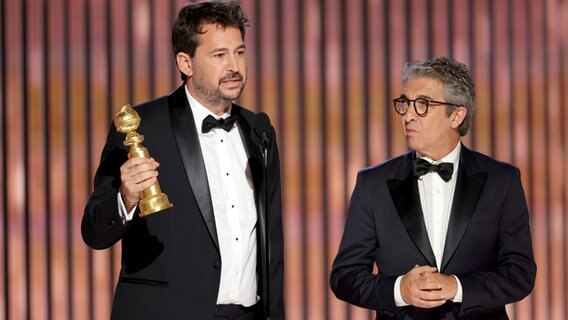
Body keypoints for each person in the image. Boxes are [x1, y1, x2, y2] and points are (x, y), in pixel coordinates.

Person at [81, 1, 284, 319]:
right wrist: (126, 198)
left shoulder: (258, 131)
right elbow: (94, 231)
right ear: (185, 63)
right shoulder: (143, 127)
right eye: (220, 55)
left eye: (239, 52)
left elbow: (270, 243)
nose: (234, 66)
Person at [330, 56, 536, 319]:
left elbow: (520, 273)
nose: (408, 115)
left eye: (423, 105)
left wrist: (458, 287)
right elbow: (344, 277)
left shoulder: (502, 181)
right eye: (404, 104)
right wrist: (399, 290)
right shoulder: (373, 184)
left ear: (457, 115)